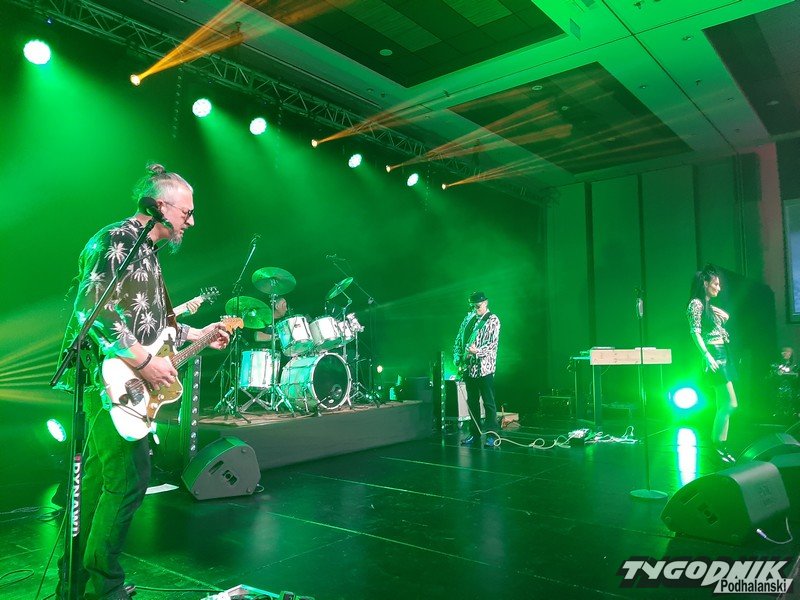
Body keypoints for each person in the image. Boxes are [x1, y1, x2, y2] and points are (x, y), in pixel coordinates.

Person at [54, 164, 230, 599]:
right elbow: (92, 307)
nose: (191, 221)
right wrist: (144, 362)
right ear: (160, 206)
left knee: (99, 484)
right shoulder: (118, 239)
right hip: (107, 381)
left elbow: (156, 325)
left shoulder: (148, 253)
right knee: (128, 480)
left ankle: (76, 583)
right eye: (187, 212)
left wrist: (202, 334)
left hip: (120, 381)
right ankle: (104, 588)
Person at [687, 264, 737, 464]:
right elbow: (695, 331)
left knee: (724, 403)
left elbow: (725, 317)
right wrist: (707, 356)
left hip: (723, 353)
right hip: (715, 354)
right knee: (730, 403)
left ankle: (720, 446)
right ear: (705, 283)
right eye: (715, 284)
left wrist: (712, 307)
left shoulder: (706, 306)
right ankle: (717, 445)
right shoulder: (696, 304)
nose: (719, 288)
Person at [453, 291, 501, 448]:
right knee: (472, 401)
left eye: (478, 306)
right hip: (469, 368)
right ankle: (474, 433)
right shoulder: (468, 319)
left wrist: (477, 351)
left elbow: (492, 345)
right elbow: (458, 339)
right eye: (472, 306)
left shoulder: (492, 320)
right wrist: (457, 356)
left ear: (485, 303)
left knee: (488, 402)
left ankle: (492, 435)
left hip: (484, 368)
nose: (475, 309)